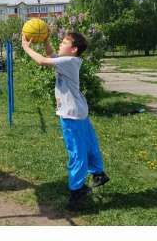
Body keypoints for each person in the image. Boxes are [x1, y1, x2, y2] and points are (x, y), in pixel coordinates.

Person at [21, 30, 108, 211]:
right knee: (90, 144)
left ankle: (76, 192)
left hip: (71, 115)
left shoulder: (68, 61)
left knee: (77, 152)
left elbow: (42, 61)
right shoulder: (70, 61)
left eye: (64, 42)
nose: (60, 44)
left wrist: (26, 48)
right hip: (80, 112)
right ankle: (98, 173)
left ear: (74, 49)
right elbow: (51, 55)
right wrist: (45, 40)